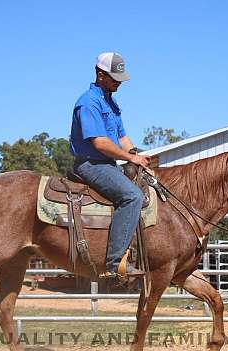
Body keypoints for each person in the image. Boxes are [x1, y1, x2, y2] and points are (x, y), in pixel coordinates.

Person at [69, 52, 150, 279]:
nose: (119, 82)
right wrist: (130, 158)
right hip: (91, 164)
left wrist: (136, 153)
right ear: (100, 74)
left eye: (120, 78)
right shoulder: (88, 102)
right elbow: (100, 143)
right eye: (115, 78)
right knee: (132, 196)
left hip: (107, 163)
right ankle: (115, 263)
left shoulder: (110, 102)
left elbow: (122, 137)